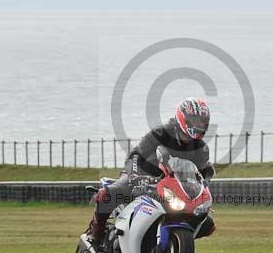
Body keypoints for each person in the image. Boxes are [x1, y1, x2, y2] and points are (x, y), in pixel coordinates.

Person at [88, 97, 216, 243]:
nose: (199, 125)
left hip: (171, 188)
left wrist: (202, 188)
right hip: (141, 177)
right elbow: (135, 155)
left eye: (202, 122)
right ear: (183, 118)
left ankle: (172, 246)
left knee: (208, 224)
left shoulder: (202, 149)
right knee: (110, 193)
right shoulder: (160, 133)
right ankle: (95, 233)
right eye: (195, 120)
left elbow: (201, 174)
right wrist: (134, 175)